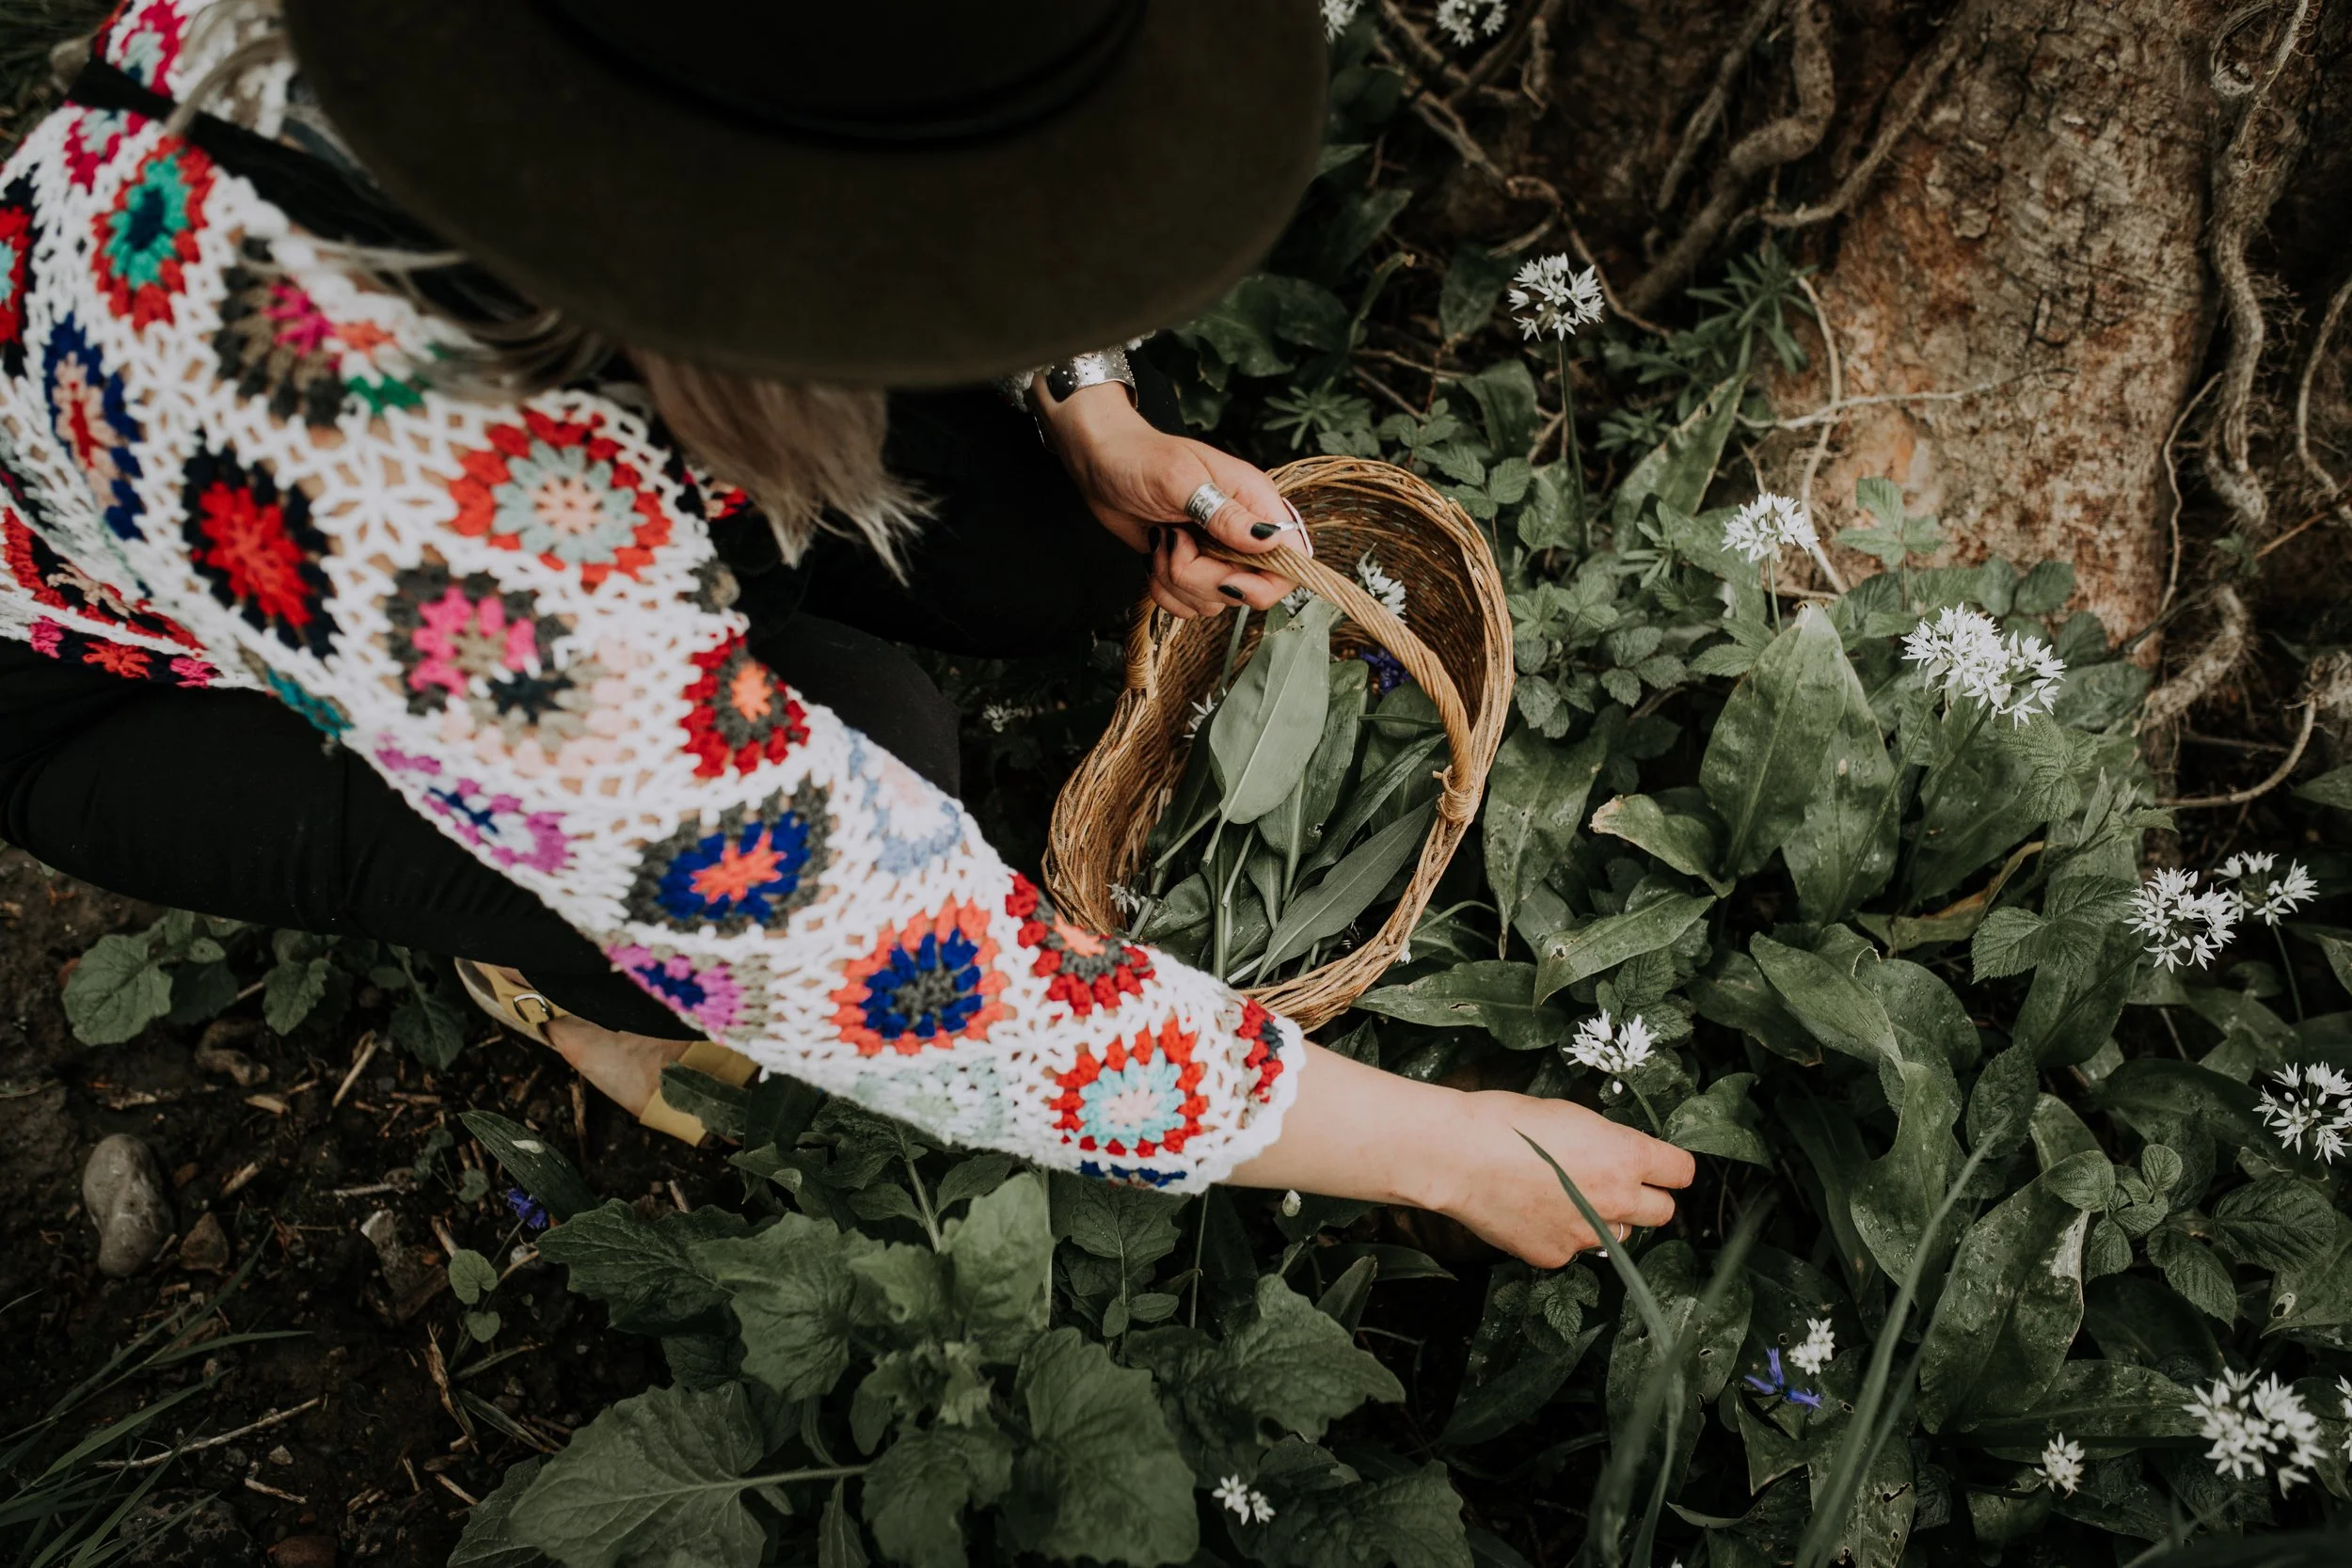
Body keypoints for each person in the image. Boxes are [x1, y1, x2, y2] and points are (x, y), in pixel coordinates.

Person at [0, 0, 1691, 1265]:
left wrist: (1085, 396)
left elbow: (940, 114)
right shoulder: (390, 467)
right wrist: (1436, 1147)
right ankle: (551, 947)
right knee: (869, 748)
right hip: (120, 679)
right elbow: (868, 947)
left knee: (1053, 537)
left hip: (563, 382)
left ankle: (739, 602)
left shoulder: (655, 64)